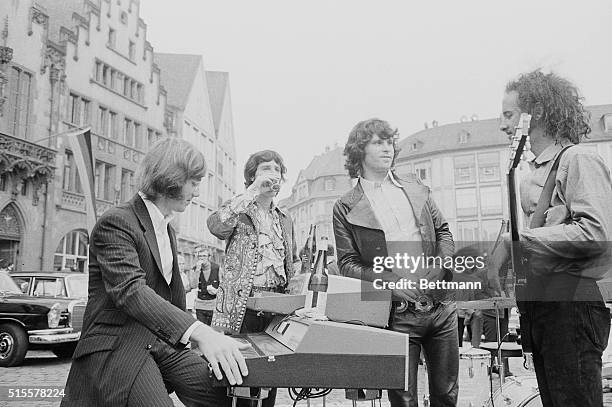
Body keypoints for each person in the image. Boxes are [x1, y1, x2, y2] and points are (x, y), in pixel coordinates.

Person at [61, 138, 248, 407]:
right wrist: (202, 334)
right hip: (118, 346)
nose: (196, 193)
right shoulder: (117, 221)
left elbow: (171, 301)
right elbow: (131, 292)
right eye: (194, 183)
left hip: (158, 343)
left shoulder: (167, 229)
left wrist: (210, 340)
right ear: (171, 178)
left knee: (234, 393)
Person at [490, 70, 612, 407]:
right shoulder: (530, 174)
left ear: (537, 112)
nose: (502, 125)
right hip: (544, 307)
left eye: (508, 114)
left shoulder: (579, 159)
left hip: (572, 304)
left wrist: (522, 241)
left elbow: (597, 234)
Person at [333, 118, 457, 407]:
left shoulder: (415, 186)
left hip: (441, 308)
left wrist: (440, 267)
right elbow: (348, 264)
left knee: (447, 396)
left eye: (389, 142)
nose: (387, 148)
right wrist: (393, 285)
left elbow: (444, 232)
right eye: (378, 142)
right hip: (396, 316)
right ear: (359, 151)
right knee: (402, 400)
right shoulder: (346, 205)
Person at [208, 149, 297, 407]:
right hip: (241, 307)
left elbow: (290, 263)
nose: (273, 175)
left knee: (271, 378)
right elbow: (216, 225)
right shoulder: (241, 210)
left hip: (276, 308)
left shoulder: (285, 218)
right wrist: (250, 193)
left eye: (277, 170)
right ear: (252, 177)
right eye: (266, 169)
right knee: (241, 380)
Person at [194, 249, 220, 325]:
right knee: (203, 329)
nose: (202, 258)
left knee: (212, 330)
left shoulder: (217, 268)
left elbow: (223, 285)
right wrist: (198, 270)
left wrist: (216, 291)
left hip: (213, 305)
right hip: (200, 305)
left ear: (209, 257)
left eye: (204, 256)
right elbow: (193, 285)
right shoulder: (196, 268)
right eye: (200, 256)